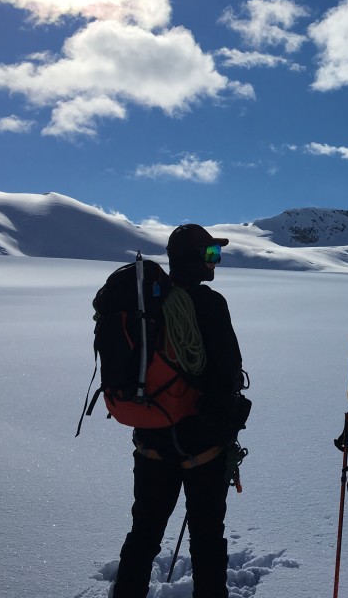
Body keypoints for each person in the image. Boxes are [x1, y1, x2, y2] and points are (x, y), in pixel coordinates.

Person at [113, 224, 247, 598]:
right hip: (202, 445)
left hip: (152, 440)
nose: (215, 263)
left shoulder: (147, 303)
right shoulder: (210, 304)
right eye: (210, 255)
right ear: (194, 259)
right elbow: (228, 372)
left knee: (143, 536)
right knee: (206, 539)